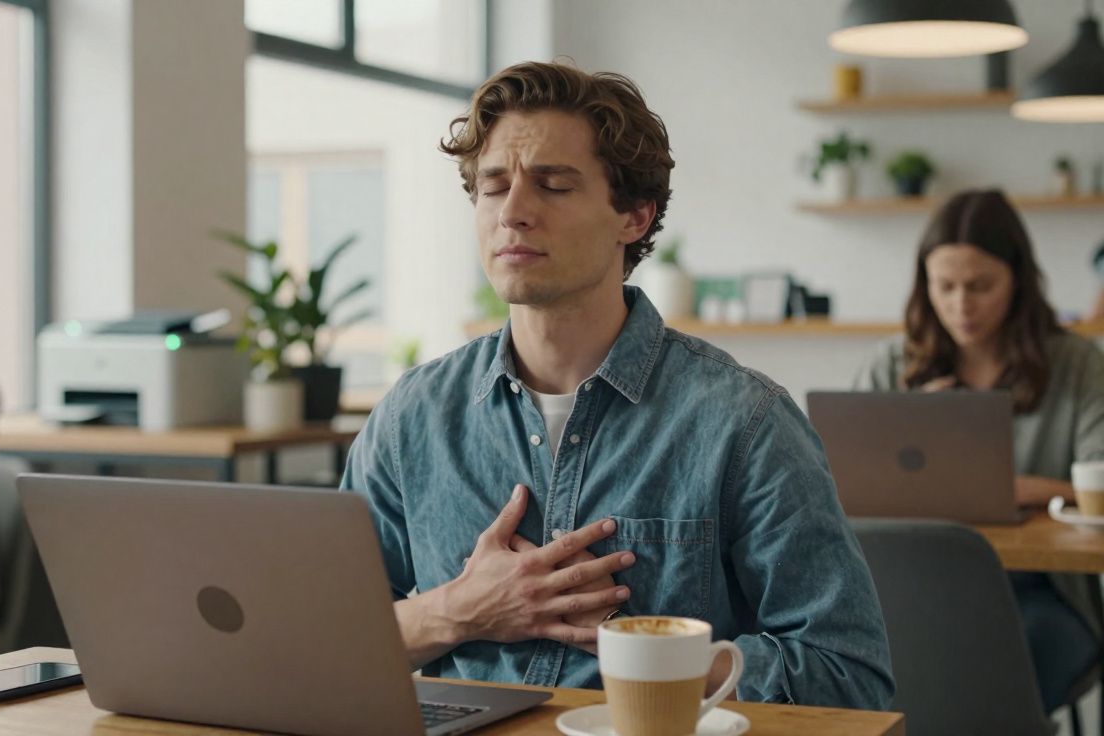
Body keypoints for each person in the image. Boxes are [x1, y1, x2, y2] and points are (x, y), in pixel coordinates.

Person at [340, 61, 893, 709]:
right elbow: (318, 641)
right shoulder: (412, 416)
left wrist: (661, 657)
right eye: (493, 187)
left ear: (633, 216)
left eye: (552, 185)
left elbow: (851, 677)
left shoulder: (745, 421)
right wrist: (458, 612)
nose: (513, 212)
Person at [856, 188, 1104, 713]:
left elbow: (1098, 480)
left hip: (1040, 593)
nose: (961, 305)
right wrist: (910, 423)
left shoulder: (1077, 365)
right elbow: (840, 481)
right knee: (865, 661)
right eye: (944, 286)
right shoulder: (890, 364)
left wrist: (1007, 488)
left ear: (1017, 280)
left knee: (997, 678)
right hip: (908, 589)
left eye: (980, 286)